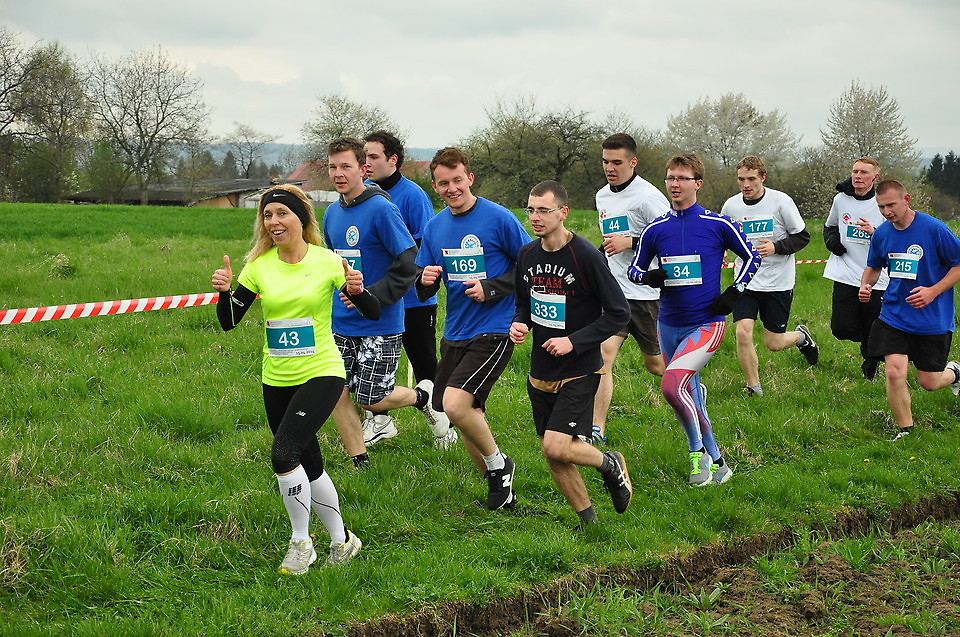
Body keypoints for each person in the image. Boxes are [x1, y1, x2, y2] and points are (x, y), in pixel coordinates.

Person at [211, 184, 372, 575]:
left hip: (321, 371)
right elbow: (229, 321)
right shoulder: (259, 266)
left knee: (283, 455)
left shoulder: (328, 262)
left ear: (301, 218)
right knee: (307, 464)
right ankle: (343, 542)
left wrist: (357, 290)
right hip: (276, 377)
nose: (274, 222)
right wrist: (225, 292)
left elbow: (371, 310)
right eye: (267, 215)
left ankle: (302, 543)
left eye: (282, 213)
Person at [627, 154, 760, 486]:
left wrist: (734, 292)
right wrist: (649, 277)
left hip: (707, 323)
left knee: (671, 387)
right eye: (670, 178)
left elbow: (752, 257)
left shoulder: (718, 224)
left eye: (681, 178)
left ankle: (697, 453)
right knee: (687, 393)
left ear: (697, 183)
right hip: (668, 324)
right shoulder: (655, 229)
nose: (674, 184)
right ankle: (719, 463)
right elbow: (634, 269)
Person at [510, 181, 633, 528]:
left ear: (563, 213)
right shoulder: (526, 255)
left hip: (579, 368)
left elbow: (618, 313)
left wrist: (573, 341)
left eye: (543, 210)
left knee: (556, 445)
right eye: (531, 210)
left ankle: (609, 464)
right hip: (540, 370)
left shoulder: (586, 256)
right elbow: (524, 303)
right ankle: (588, 522)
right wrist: (520, 323)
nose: (535, 217)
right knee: (555, 452)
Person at [323, 137, 452, 467]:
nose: (338, 173)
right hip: (342, 321)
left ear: (363, 169)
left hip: (380, 320)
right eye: (333, 167)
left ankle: (423, 397)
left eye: (346, 166)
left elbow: (409, 260)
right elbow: (332, 263)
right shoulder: (332, 213)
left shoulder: (382, 208)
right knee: (336, 390)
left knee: (372, 398)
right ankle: (359, 460)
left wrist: (369, 296)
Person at [415, 147, 532, 509]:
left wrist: (492, 288)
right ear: (435, 186)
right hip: (455, 331)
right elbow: (424, 284)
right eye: (443, 183)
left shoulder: (499, 218)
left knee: (455, 404)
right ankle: (501, 493)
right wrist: (425, 280)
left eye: (457, 180)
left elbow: (531, 266)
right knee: (463, 413)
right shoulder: (434, 227)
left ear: (470, 178)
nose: (452, 188)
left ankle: (499, 466)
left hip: (496, 327)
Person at [361, 130, 448, 447]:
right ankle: (379, 421)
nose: (367, 163)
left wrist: (419, 283)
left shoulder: (413, 196)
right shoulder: (363, 195)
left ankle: (444, 427)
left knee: (425, 366)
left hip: (413, 302)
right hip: (376, 300)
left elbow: (426, 246)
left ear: (393, 160)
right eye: (364, 156)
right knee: (371, 365)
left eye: (373, 157)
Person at [858, 180, 960, 440]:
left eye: (891, 205)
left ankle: (955, 373)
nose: (886, 212)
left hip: (932, 319)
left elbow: (958, 265)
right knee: (894, 371)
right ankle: (906, 430)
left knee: (929, 382)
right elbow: (874, 266)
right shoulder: (882, 233)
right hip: (894, 314)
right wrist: (866, 284)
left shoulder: (935, 229)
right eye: (881, 207)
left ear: (907, 199)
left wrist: (933, 291)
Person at [720, 155, 819, 397]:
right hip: (745, 280)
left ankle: (801, 337)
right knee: (742, 332)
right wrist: (722, 250)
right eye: (741, 179)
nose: (746, 185)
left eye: (751, 179)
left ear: (763, 177)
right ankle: (754, 388)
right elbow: (723, 234)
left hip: (778, 282)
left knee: (773, 343)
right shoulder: (731, 206)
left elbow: (802, 237)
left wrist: (776, 247)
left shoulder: (781, 202)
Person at [593, 133, 668, 442]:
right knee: (603, 357)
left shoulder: (649, 197)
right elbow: (609, 239)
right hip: (615, 293)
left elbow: (671, 240)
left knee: (656, 365)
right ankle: (596, 429)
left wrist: (632, 242)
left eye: (617, 162)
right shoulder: (602, 196)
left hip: (647, 295)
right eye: (605, 162)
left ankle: (688, 384)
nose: (610, 168)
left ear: (633, 162)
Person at [823, 157, 889, 380]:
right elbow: (830, 225)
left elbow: (897, 235)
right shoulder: (841, 199)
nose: (858, 176)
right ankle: (868, 344)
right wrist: (832, 241)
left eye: (863, 172)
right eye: (855, 171)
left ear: (875, 177)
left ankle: (871, 363)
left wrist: (875, 233)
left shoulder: (883, 204)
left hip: (876, 276)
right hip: (845, 272)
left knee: (873, 326)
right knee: (841, 328)